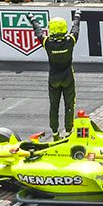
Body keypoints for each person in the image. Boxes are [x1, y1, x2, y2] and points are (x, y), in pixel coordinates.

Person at [31, 11, 82, 139]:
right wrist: (77, 15)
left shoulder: (48, 43)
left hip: (54, 79)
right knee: (69, 105)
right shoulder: (70, 41)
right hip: (68, 78)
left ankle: (55, 133)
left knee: (54, 106)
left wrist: (32, 19)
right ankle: (68, 132)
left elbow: (38, 32)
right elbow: (76, 28)